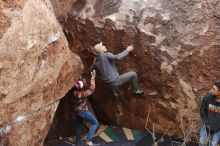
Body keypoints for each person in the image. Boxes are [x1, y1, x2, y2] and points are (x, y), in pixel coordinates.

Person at [72, 70, 98, 146]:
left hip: (76, 111)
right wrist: (93, 77)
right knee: (94, 123)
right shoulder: (82, 94)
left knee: (79, 125)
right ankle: (89, 140)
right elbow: (91, 89)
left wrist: (82, 81)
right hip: (83, 111)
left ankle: (78, 143)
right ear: (81, 89)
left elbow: (82, 84)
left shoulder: (74, 91)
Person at [199, 82, 220, 146]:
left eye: (214, 89)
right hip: (206, 125)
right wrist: (206, 121)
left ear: (219, 92)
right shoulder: (208, 97)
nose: (211, 90)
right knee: (202, 142)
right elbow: (202, 110)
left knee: (213, 144)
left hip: (218, 129)